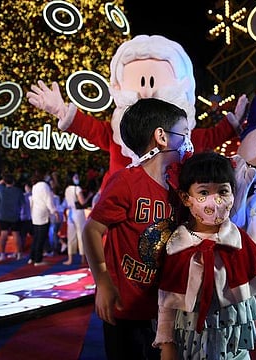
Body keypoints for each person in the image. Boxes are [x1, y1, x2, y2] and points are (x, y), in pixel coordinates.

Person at [27, 34, 247, 191]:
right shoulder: (117, 135)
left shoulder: (183, 137)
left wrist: (232, 124)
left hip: (169, 212)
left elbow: (210, 137)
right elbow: (90, 128)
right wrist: (61, 110)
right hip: (122, 208)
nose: (148, 88)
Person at [82, 97, 192, 360]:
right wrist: (103, 282)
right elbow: (91, 231)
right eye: (184, 133)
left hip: (163, 310)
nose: (188, 141)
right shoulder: (127, 181)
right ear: (162, 137)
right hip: (125, 310)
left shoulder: (178, 187)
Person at [153, 151, 256, 359]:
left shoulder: (238, 240)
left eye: (223, 191)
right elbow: (167, 300)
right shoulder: (178, 244)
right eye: (203, 192)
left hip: (234, 335)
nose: (215, 201)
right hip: (192, 337)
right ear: (186, 198)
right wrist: (166, 343)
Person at [29, 169, 59, 266]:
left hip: (35, 214)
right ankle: (38, 259)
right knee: (41, 237)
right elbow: (48, 200)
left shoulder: (35, 186)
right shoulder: (44, 186)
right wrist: (54, 211)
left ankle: (32, 257)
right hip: (43, 214)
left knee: (36, 237)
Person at [63, 172, 91, 265]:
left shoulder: (67, 189)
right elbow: (82, 202)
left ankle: (70, 259)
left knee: (71, 236)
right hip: (78, 213)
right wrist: (89, 196)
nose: (77, 178)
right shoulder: (77, 188)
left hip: (70, 212)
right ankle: (83, 258)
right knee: (81, 235)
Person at [0, 174, 25, 261]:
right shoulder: (18, 191)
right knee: (16, 235)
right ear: (14, 182)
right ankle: (19, 254)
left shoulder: (2, 190)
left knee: (3, 235)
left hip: (3, 215)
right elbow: (22, 203)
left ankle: (2, 254)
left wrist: (4, 180)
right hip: (14, 215)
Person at [19, 182, 33, 256]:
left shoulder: (23, 196)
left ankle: (20, 251)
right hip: (32, 218)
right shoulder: (35, 196)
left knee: (22, 236)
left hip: (24, 218)